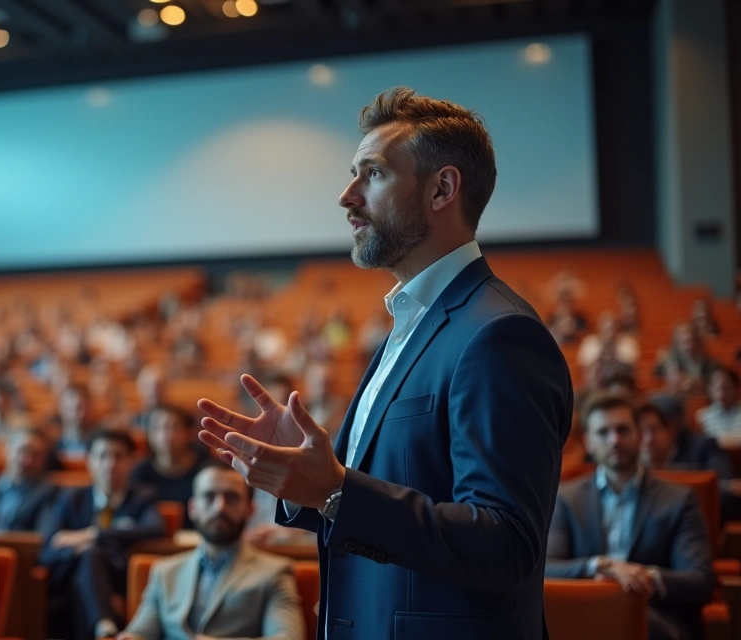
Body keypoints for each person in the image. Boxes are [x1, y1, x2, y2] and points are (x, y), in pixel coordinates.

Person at [197, 87, 573, 640]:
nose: (347, 196)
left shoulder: (498, 334)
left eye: (372, 174)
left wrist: (337, 490)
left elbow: (506, 543)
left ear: (442, 188)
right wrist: (308, 478)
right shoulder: (409, 323)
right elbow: (387, 495)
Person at [546, 393, 714, 640]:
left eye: (623, 430)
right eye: (603, 432)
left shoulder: (680, 499)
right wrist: (601, 566)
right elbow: (548, 568)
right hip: (585, 615)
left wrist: (641, 577)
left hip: (655, 619)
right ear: (588, 442)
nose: (614, 440)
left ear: (640, 434)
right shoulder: (567, 498)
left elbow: (700, 580)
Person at [118, 465, 304, 640]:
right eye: (209, 496)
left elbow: (288, 638)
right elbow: (140, 632)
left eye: (231, 497)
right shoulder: (164, 571)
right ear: (192, 508)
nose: (219, 507)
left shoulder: (274, 572)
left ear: (250, 509)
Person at [39, 428, 166, 640]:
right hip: (72, 581)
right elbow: (46, 552)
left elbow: (155, 529)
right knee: (88, 559)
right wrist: (78, 551)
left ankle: (103, 626)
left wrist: (94, 535)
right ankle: (104, 626)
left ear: (131, 461)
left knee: (88, 564)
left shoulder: (142, 497)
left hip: (121, 580)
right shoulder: (72, 499)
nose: (110, 464)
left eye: (118, 456)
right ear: (89, 461)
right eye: (102, 456)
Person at [129, 406, 209, 530]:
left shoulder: (205, 468)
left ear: (189, 432)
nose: (167, 434)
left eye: (175, 427)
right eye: (158, 428)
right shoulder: (140, 472)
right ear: (148, 434)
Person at [0, 427, 57, 532]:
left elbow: (43, 535)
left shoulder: (49, 493)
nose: (28, 460)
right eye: (23, 450)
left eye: (36, 455)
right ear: (8, 450)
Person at [697, 368, 741, 443]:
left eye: (726, 387)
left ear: (736, 389)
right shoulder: (703, 416)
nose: (721, 393)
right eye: (717, 388)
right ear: (709, 390)